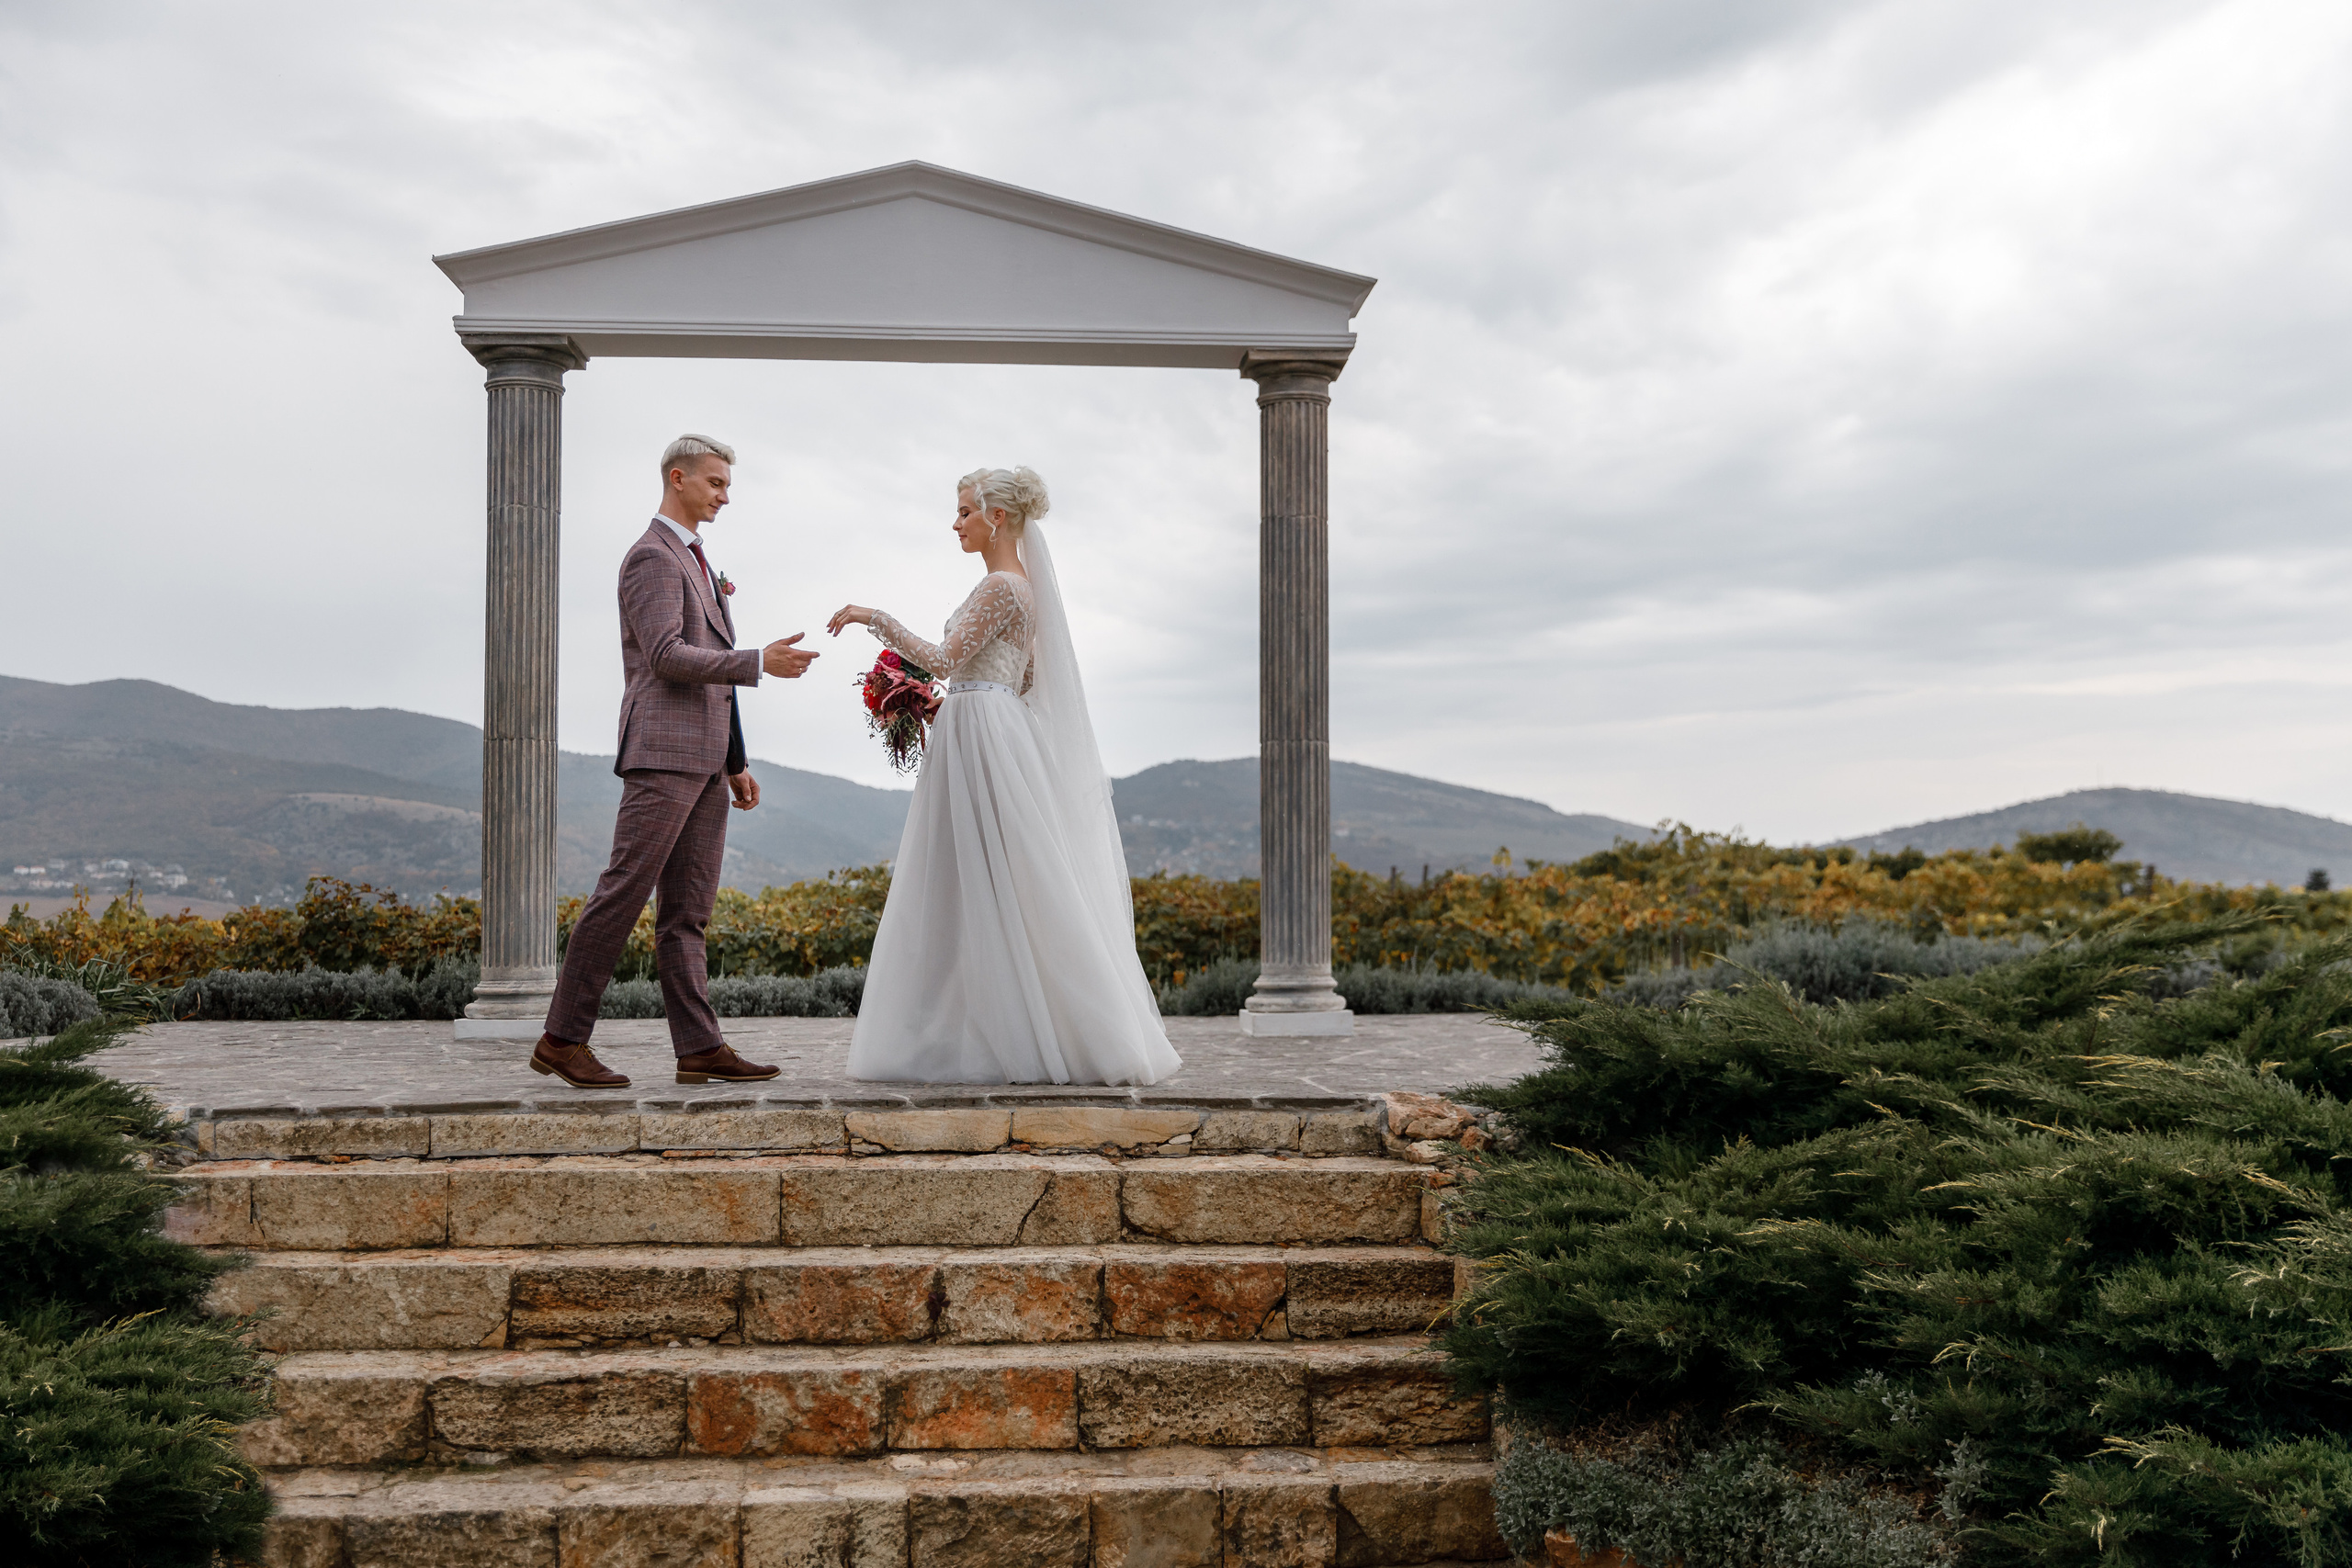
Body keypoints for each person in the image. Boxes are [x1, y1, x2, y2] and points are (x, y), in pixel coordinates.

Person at [826, 467, 1182, 1086]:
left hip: (982, 733)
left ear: (996, 517)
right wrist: (946, 699)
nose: (956, 521)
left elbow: (941, 658)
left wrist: (870, 615)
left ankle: (995, 1029)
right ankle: (994, 1023)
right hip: (985, 723)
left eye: (964, 510)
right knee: (995, 878)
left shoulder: (1000, 586)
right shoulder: (1024, 589)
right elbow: (1022, 679)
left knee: (976, 875)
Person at [530, 434, 818, 1089]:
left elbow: (709, 669)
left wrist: (735, 759)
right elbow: (665, 655)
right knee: (622, 894)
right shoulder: (651, 558)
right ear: (678, 478)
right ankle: (561, 1038)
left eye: (727, 485)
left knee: (688, 912)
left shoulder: (698, 559)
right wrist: (757, 664)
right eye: (715, 482)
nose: (724, 495)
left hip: (708, 761)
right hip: (661, 755)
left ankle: (698, 1046)